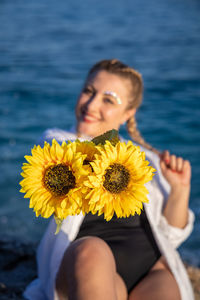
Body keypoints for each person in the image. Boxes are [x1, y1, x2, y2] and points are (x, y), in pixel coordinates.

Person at [24, 59, 194, 300]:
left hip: (150, 269)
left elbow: (172, 236)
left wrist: (179, 188)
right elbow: (64, 157)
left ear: (128, 113)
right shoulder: (57, 142)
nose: (91, 105)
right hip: (88, 264)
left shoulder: (145, 160)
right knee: (92, 251)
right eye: (89, 91)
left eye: (108, 99)